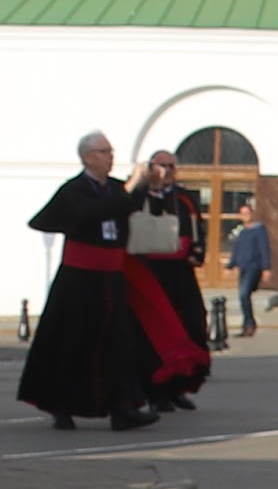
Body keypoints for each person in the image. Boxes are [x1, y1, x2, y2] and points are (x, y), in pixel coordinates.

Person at [14, 131, 177, 431]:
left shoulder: (114, 188)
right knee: (72, 342)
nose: (110, 157)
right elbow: (97, 212)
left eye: (111, 151)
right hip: (78, 280)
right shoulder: (74, 190)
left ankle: (122, 409)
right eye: (104, 151)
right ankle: (62, 406)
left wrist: (149, 185)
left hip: (111, 278)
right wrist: (130, 188)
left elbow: (131, 207)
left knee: (120, 343)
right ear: (88, 157)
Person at [123, 151, 214, 406]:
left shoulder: (183, 197)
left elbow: (196, 227)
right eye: (161, 166)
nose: (166, 171)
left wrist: (197, 252)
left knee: (190, 326)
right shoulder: (137, 195)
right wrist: (143, 185)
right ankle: (153, 391)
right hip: (148, 271)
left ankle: (177, 387)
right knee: (152, 331)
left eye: (171, 166)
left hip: (179, 273)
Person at [220, 198, 275, 335]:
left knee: (244, 294)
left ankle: (250, 324)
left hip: (253, 266)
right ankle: (247, 325)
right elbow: (237, 251)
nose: (245, 216)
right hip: (243, 267)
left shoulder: (259, 229)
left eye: (247, 213)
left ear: (252, 214)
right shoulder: (242, 232)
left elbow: (264, 248)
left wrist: (266, 268)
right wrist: (229, 266)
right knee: (243, 297)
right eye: (242, 214)